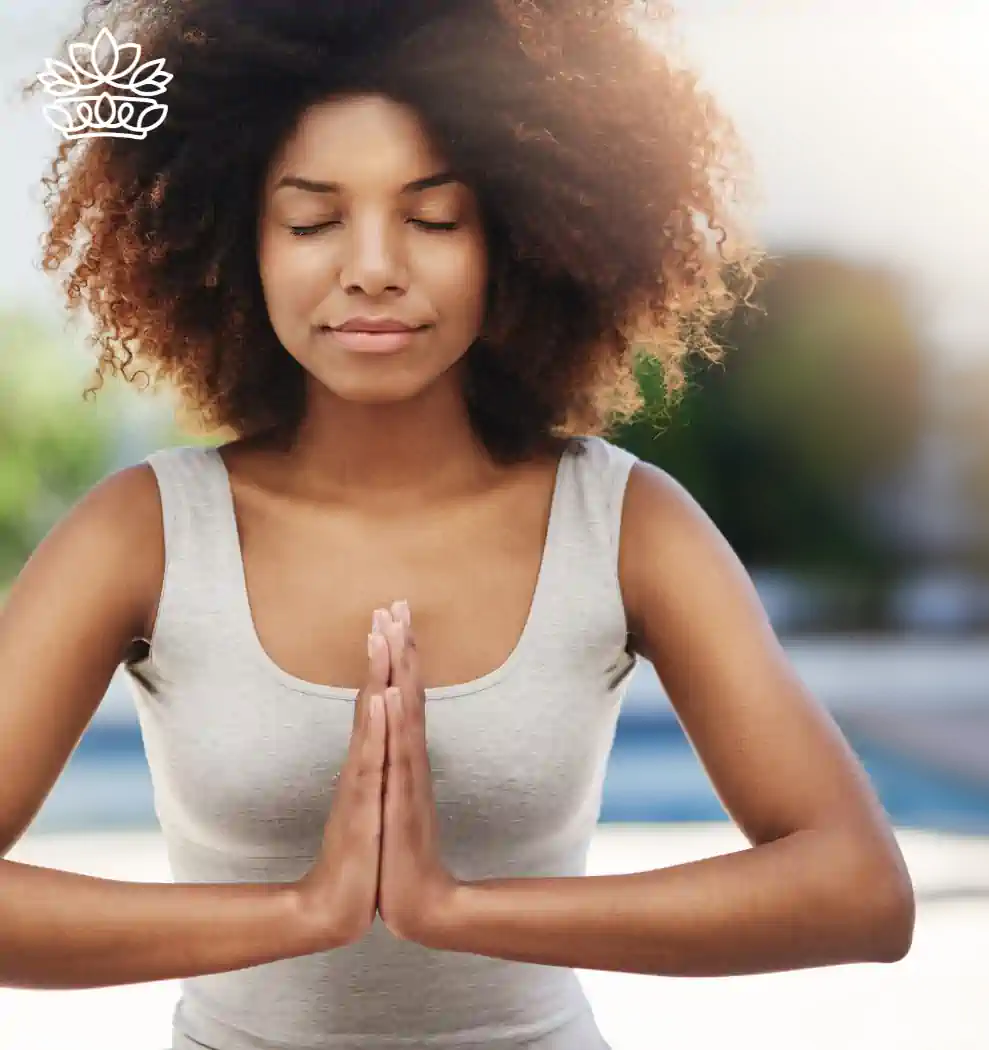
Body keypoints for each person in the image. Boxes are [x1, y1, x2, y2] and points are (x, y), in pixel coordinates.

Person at [1, 1, 915, 1047]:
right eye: (312, 221)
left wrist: (457, 910)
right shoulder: (146, 533)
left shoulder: (621, 525)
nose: (374, 265)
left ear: (517, 242)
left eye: (432, 218)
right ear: (234, 241)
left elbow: (857, 888)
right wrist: (300, 912)